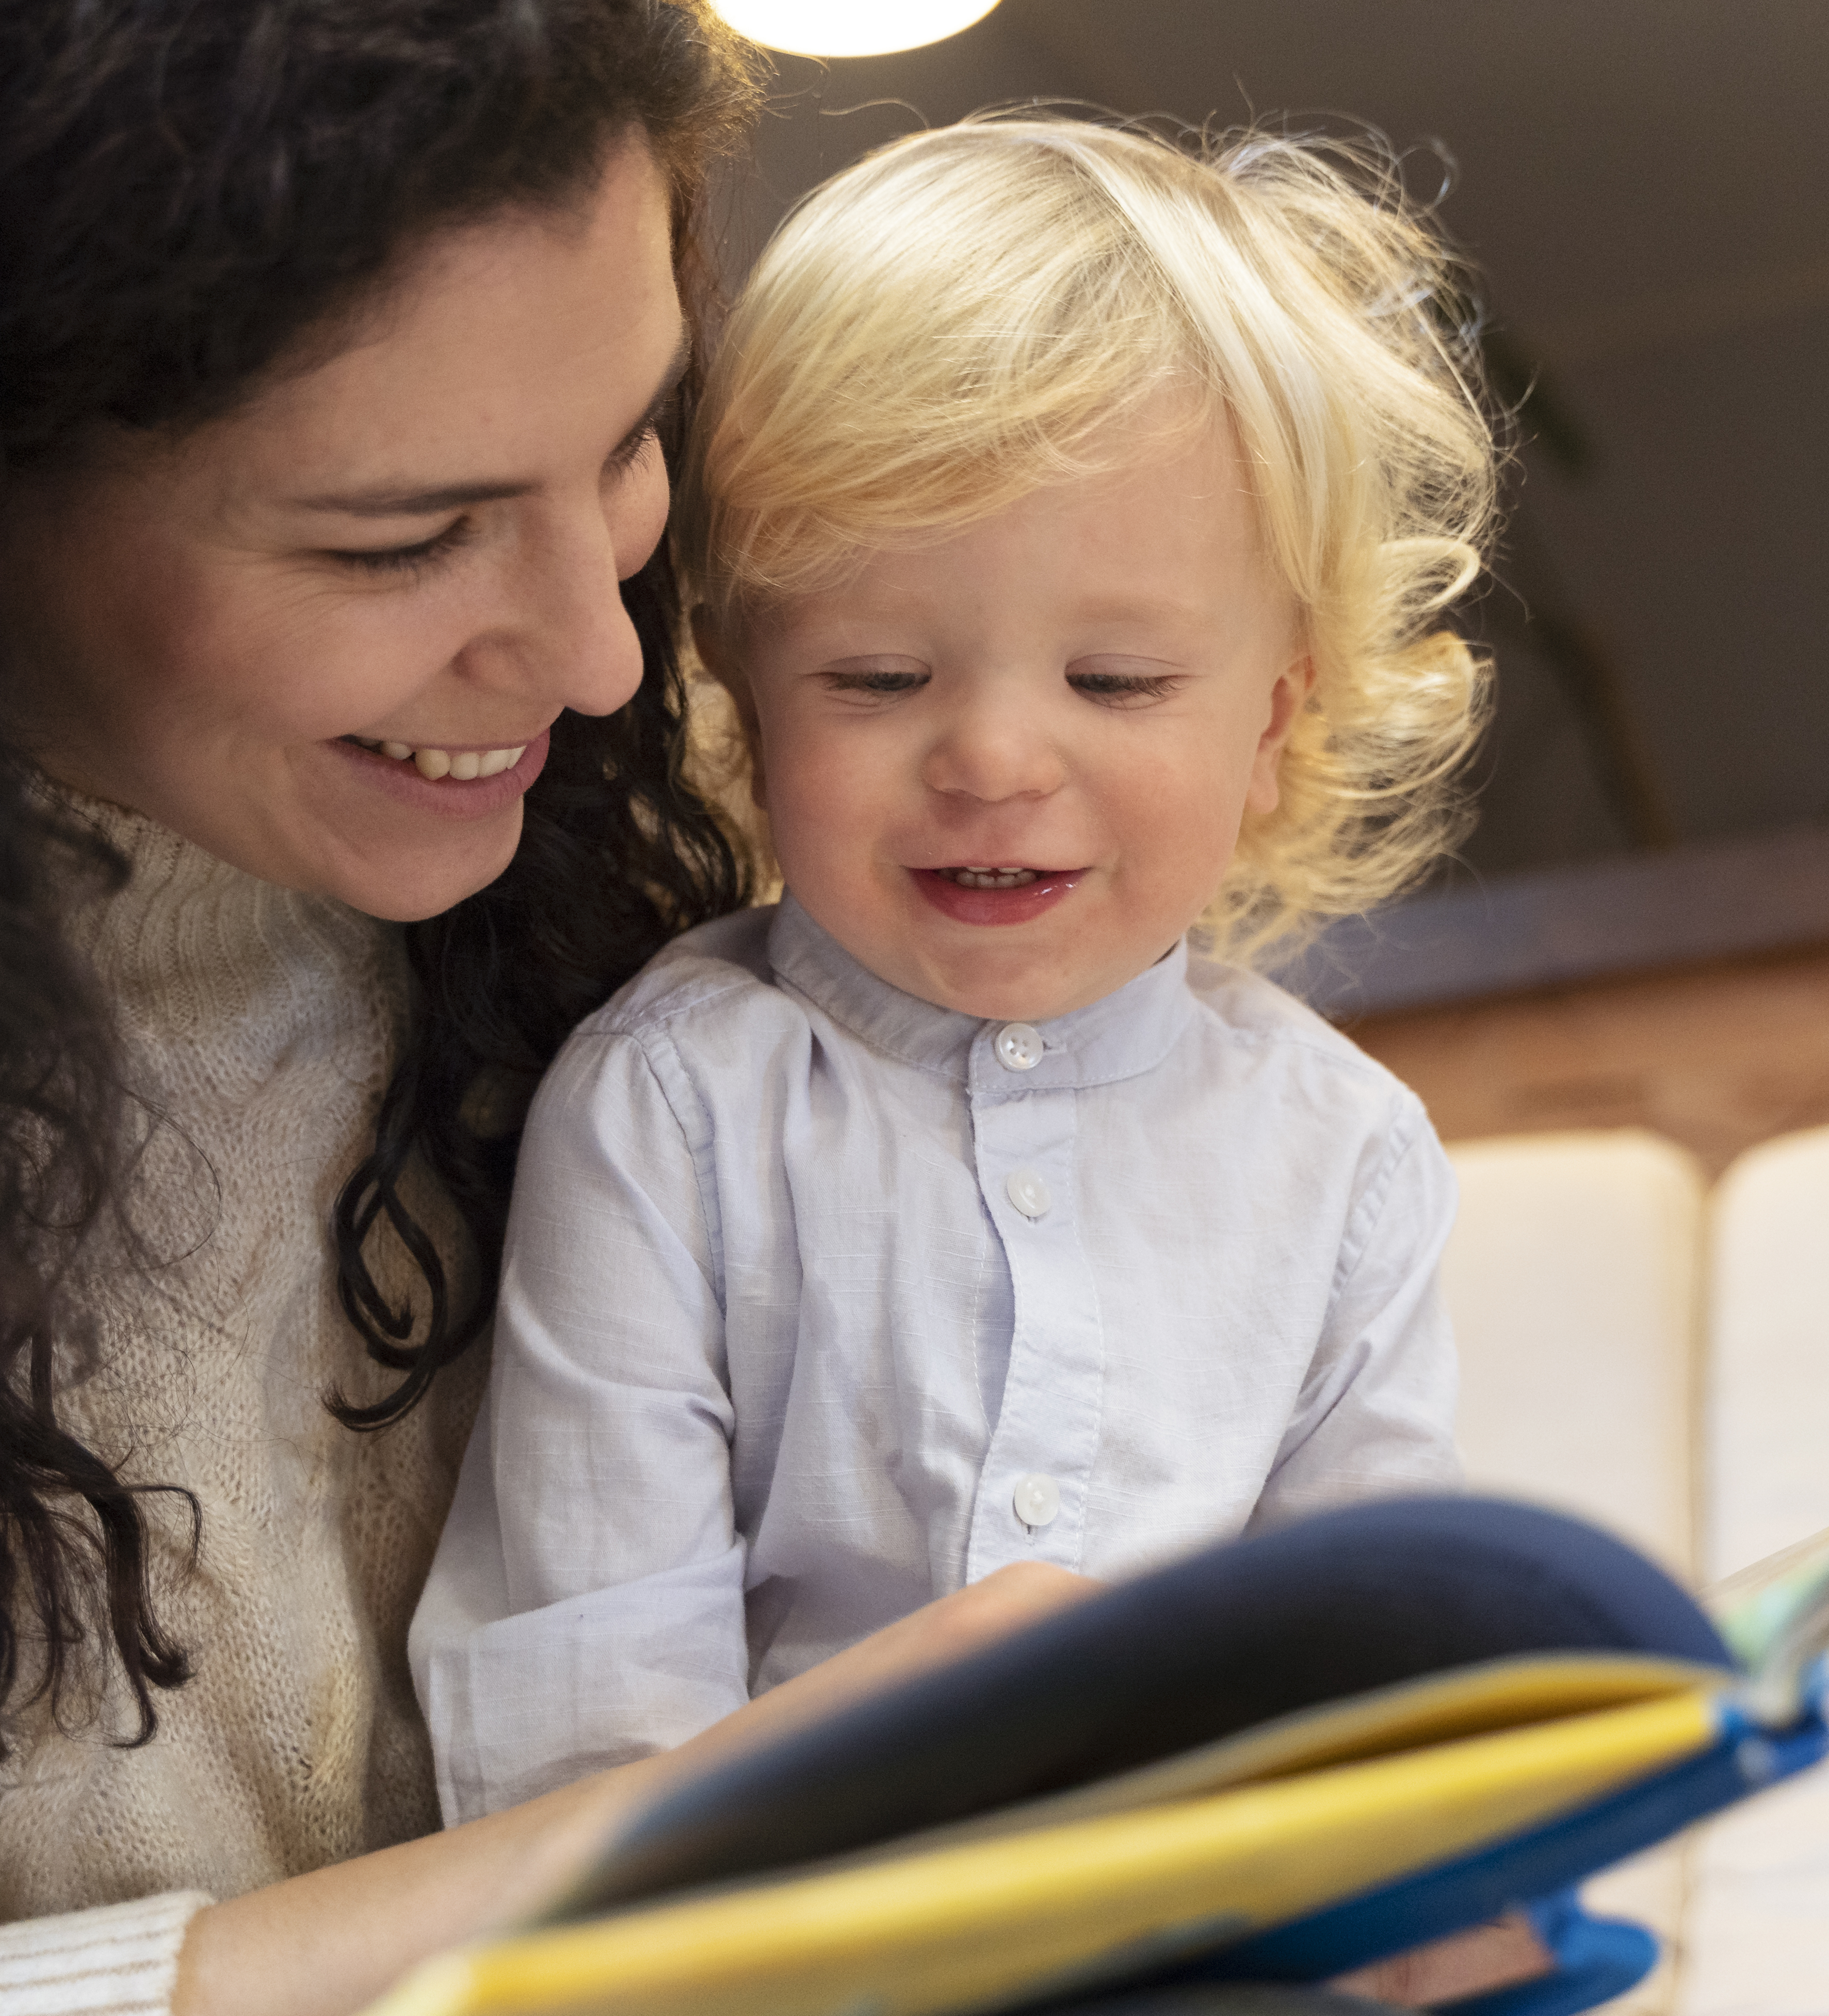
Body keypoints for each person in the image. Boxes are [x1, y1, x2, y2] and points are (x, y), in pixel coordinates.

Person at [0, 8, 1111, 2016]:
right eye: (399, 537)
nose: (597, 652)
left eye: (627, 448)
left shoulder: (641, 869)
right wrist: (663, 1855)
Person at [413, 116, 1500, 1824]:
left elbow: (1363, 1660)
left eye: (1118, 680)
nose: (994, 756)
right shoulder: (672, 1111)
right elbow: (591, 1707)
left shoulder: (1344, 1163)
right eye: (877, 675)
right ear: (745, 706)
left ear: (1275, 724)